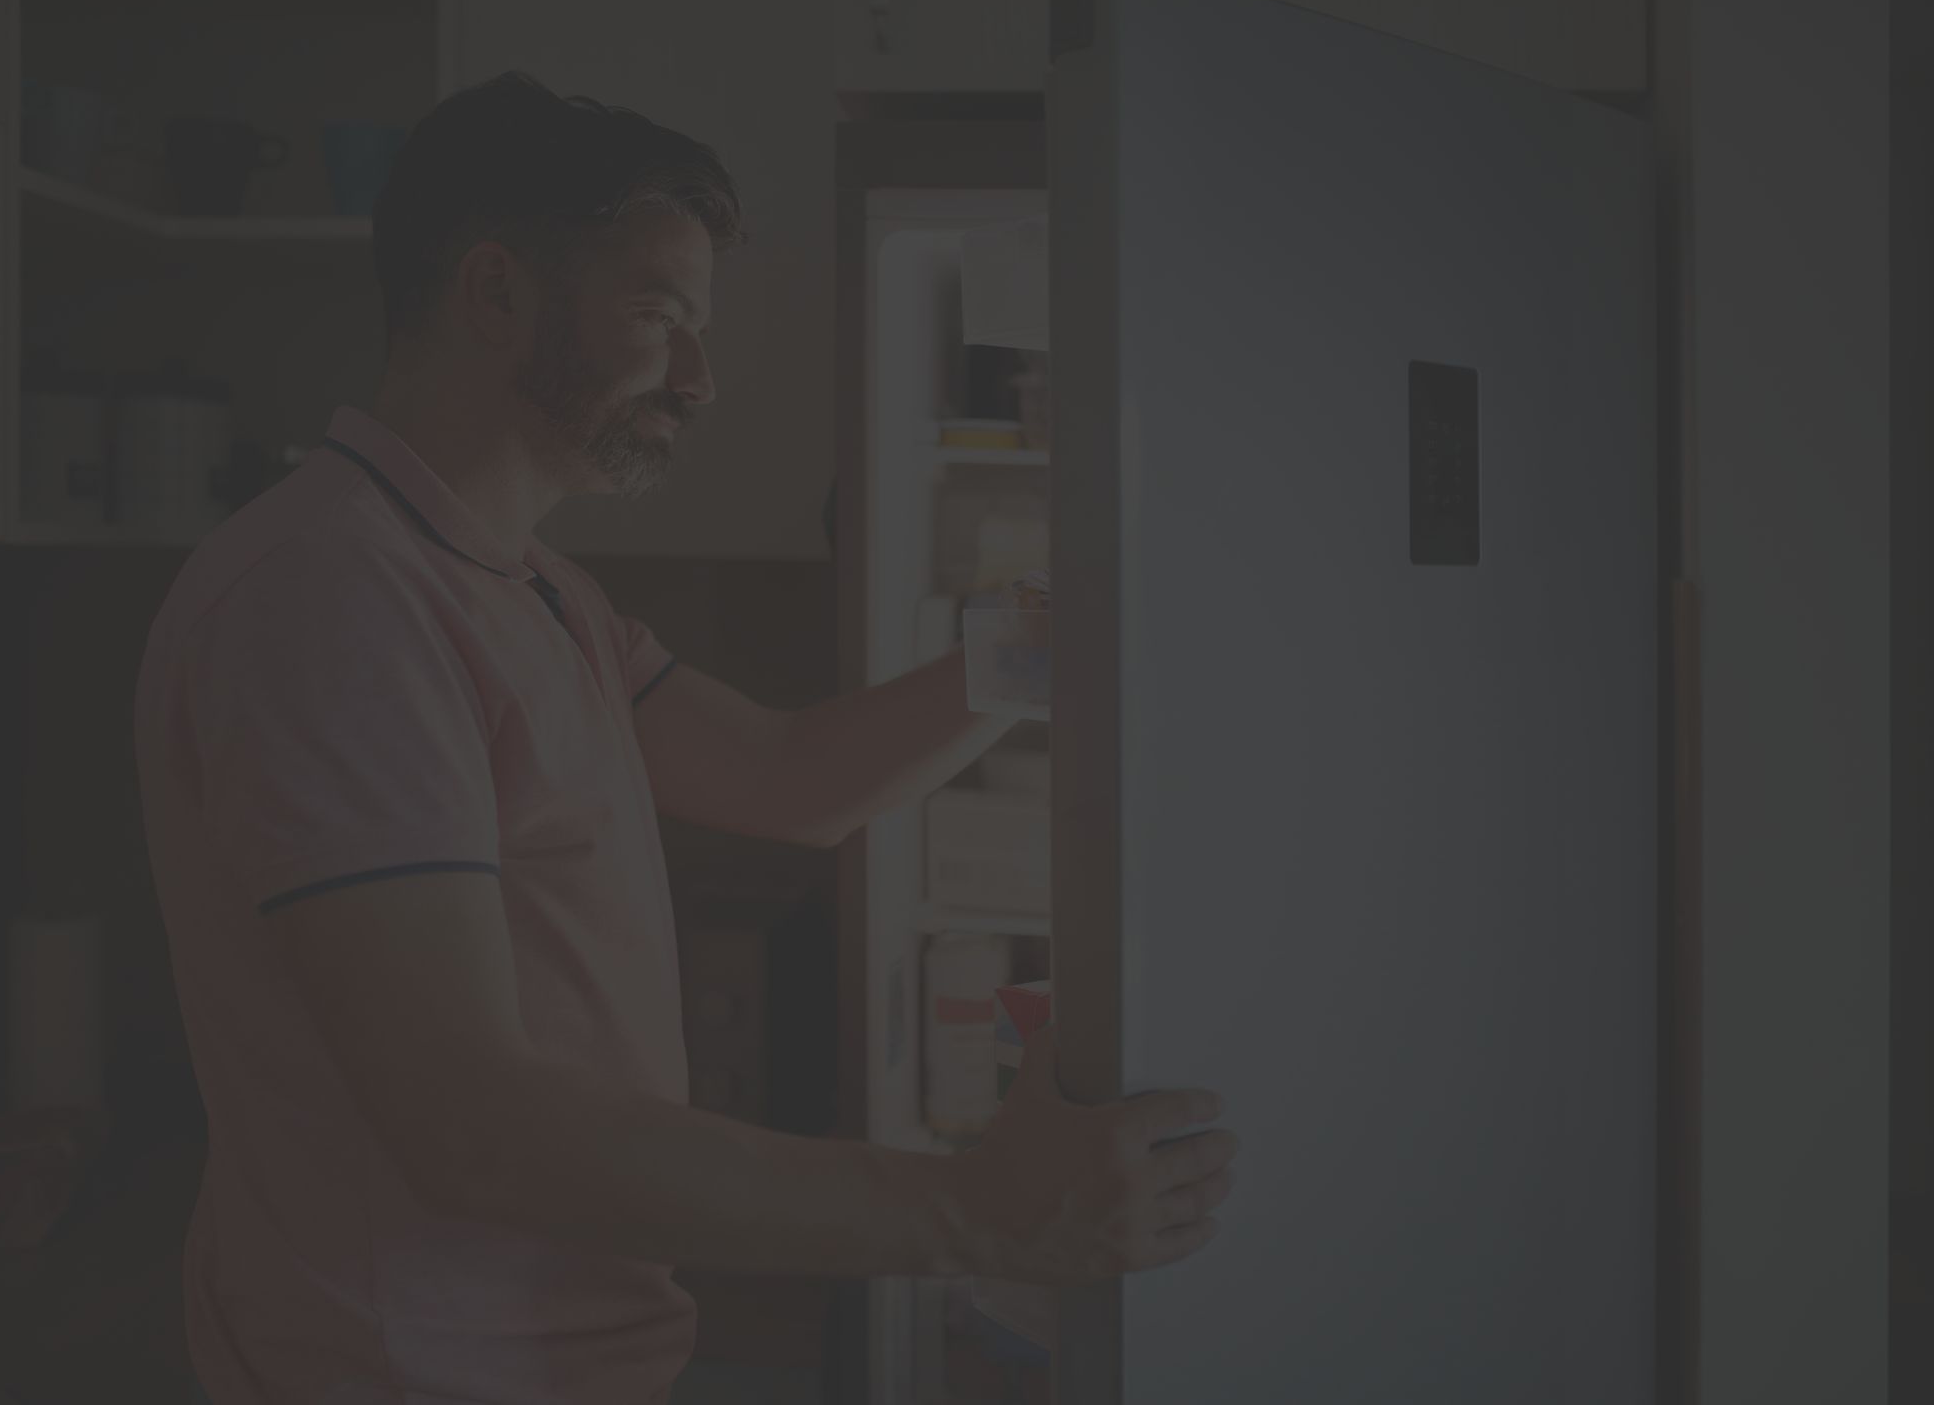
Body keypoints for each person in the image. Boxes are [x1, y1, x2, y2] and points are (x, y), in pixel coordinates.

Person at [133, 71, 1235, 1405]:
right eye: (659, 315)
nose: (701, 380)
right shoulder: (334, 598)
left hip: (557, 1358)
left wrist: (1037, 643)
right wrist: (975, 1212)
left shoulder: (527, 585)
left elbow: (788, 776)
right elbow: (472, 1128)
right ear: (494, 292)